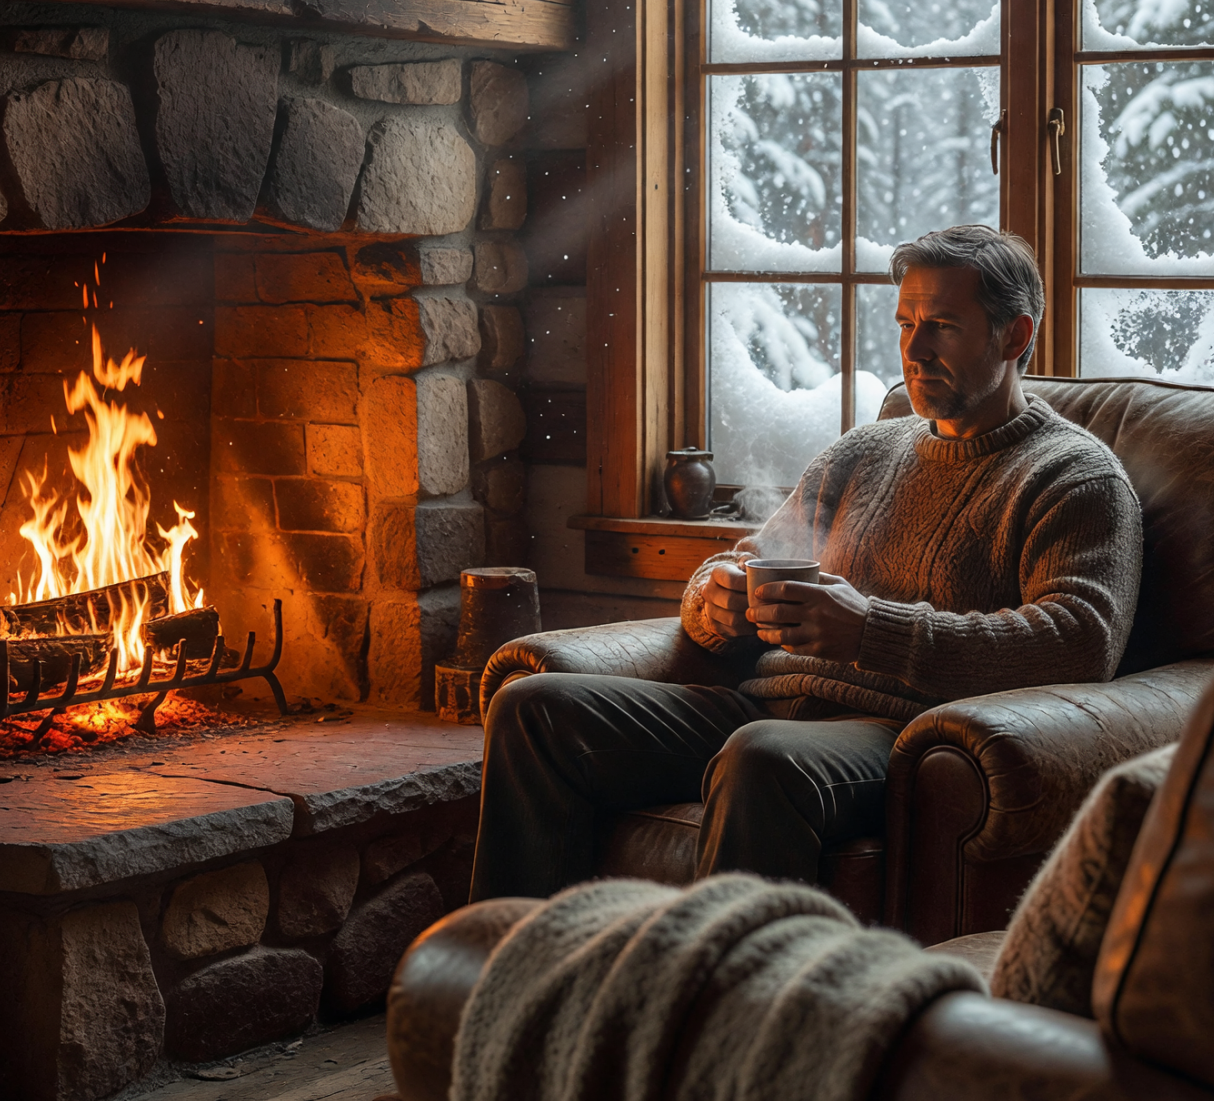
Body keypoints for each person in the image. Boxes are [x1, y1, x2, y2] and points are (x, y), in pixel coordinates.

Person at [469, 223, 1143, 899]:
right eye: (906, 322)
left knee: (761, 756)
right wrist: (716, 599)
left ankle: (722, 998)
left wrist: (868, 630)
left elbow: (1079, 643)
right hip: (759, 707)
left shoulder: (1074, 477)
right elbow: (746, 560)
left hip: (904, 736)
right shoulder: (862, 453)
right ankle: (514, 970)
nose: (914, 348)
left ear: (1015, 337)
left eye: (942, 325)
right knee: (533, 705)